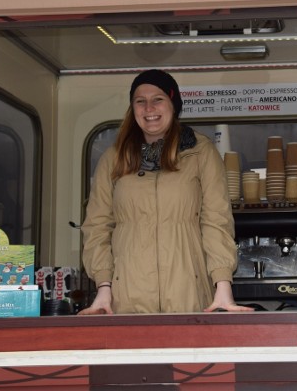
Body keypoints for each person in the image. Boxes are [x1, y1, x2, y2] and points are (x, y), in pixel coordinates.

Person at [79, 69, 251, 314]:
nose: (149, 108)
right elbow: (97, 226)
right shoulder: (113, 158)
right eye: (140, 101)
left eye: (158, 99)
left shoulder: (201, 152)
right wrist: (104, 286)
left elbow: (217, 220)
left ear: (173, 104)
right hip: (126, 298)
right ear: (133, 108)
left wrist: (223, 285)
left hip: (189, 295)